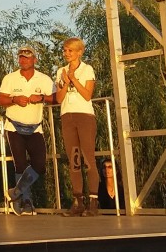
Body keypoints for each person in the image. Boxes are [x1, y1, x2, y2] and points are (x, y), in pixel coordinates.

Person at [0, 44, 54, 215]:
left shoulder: (44, 79)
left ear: (34, 59)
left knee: (40, 164)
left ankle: (15, 193)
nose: (23, 60)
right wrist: (14, 99)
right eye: (21, 57)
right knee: (20, 164)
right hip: (13, 126)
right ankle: (26, 200)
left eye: (27, 57)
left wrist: (41, 98)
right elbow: (0, 99)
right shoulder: (10, 78)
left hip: (35, 127)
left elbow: (56, 98)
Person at [55, 36, 99, 216]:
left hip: (84, 116)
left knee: (88, 158)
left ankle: (93, 201)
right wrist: (66, 81)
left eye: (70, 50)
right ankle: (78, 201)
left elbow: (87, 95)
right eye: (65, 50)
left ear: (79, 52)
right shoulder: (61, 71)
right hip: (67, 116)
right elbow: (59, 98)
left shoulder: (87, 69)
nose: (66, 53)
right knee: (73, 159)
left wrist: (73, 78)